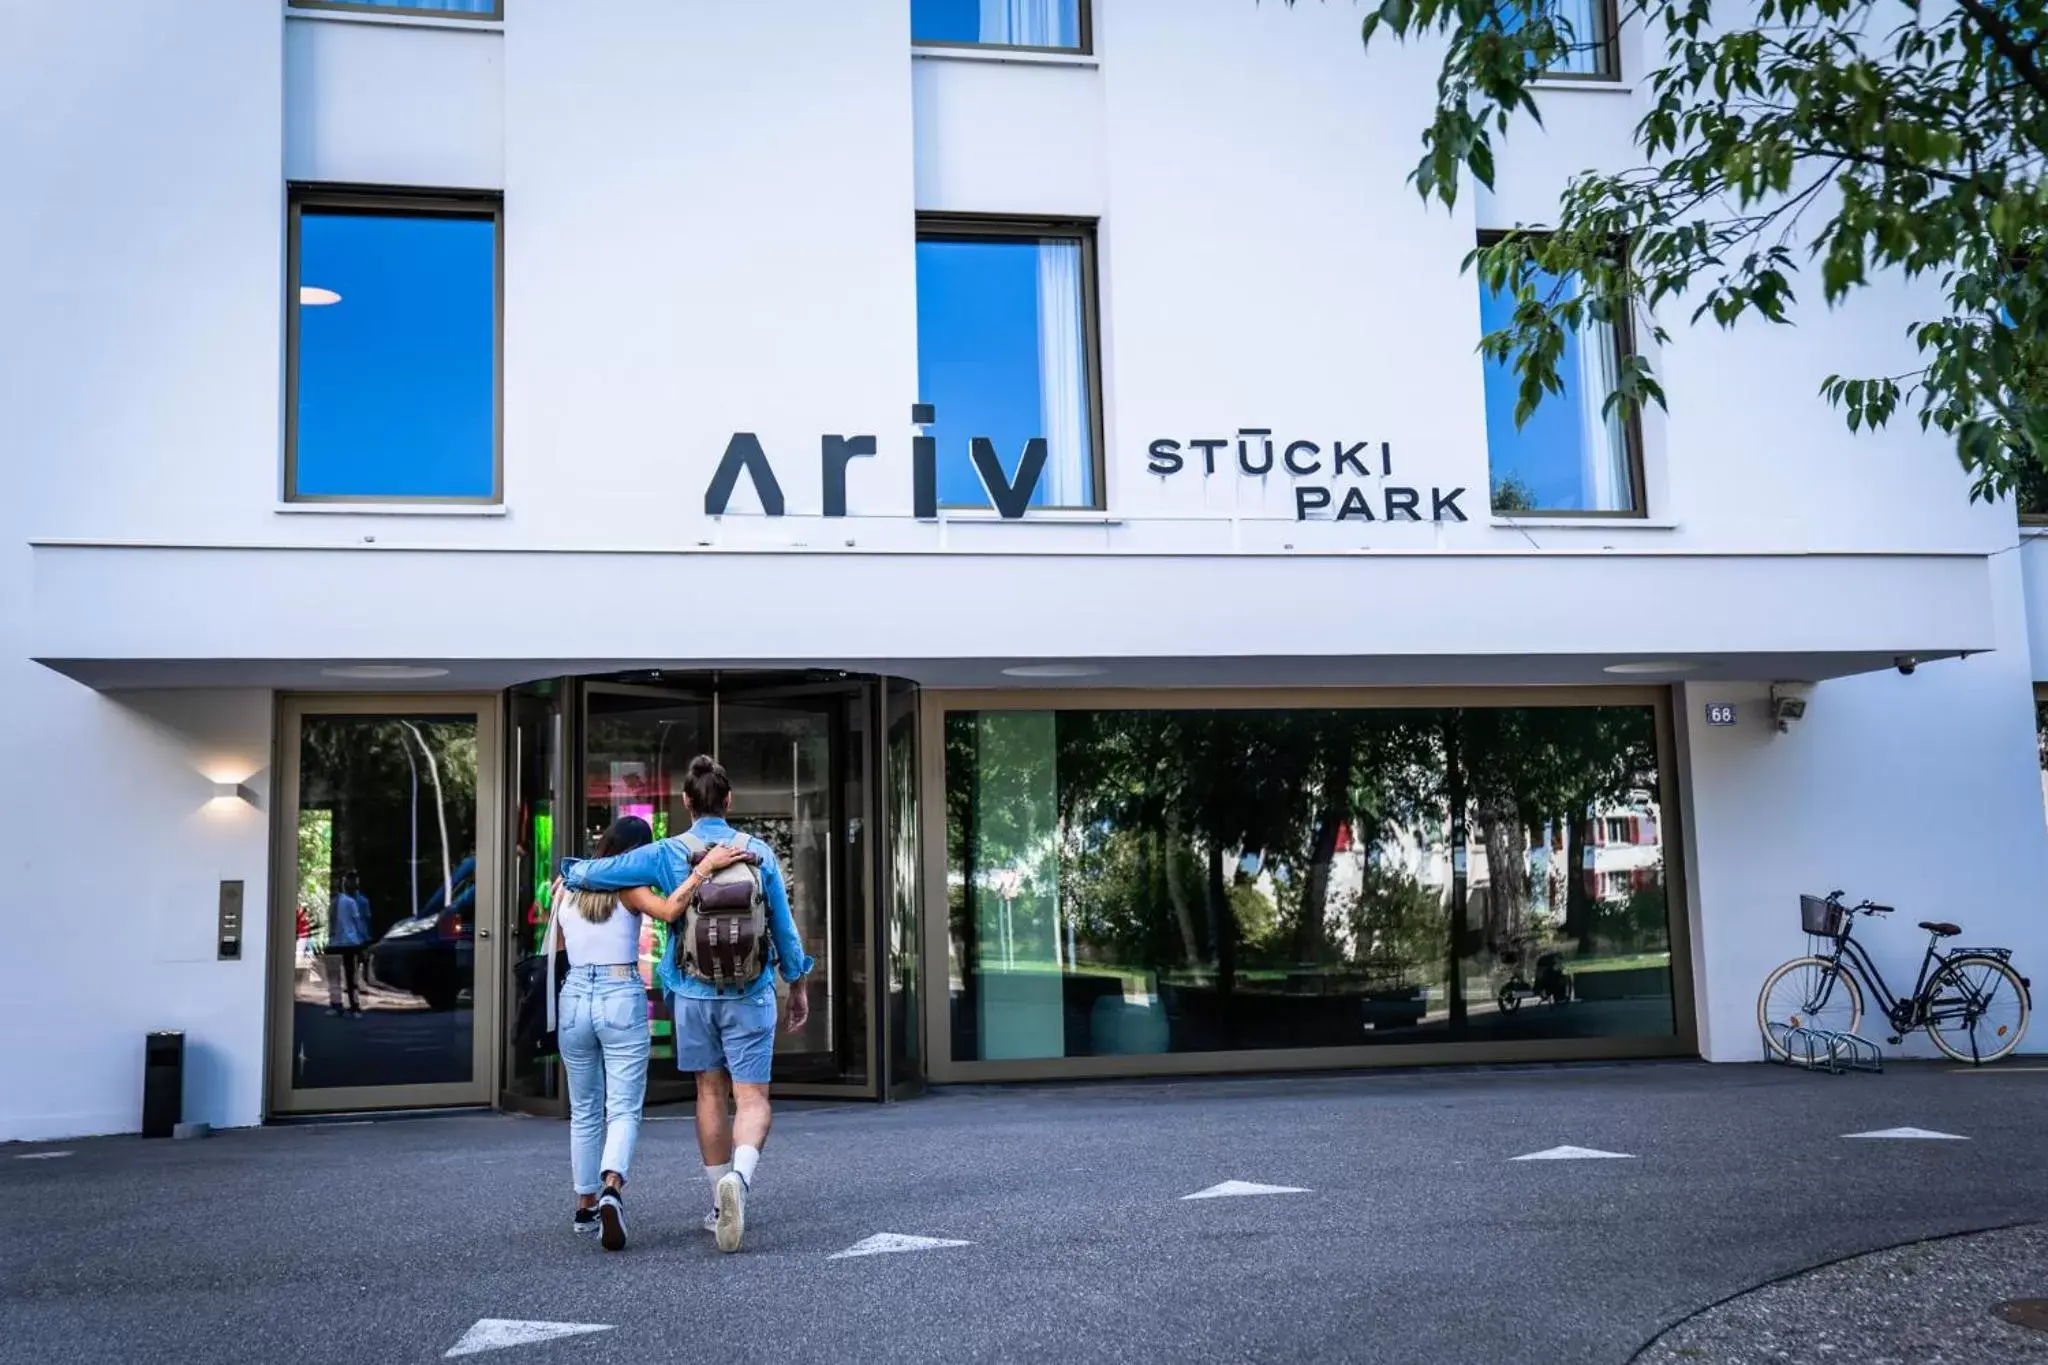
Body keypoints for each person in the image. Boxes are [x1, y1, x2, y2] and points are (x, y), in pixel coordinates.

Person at [561, 755, 814, 1253]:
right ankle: (738, 1181)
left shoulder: (665, 852)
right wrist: (798, 983)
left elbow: (587, 874)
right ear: (729, 800)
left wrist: (575, 872)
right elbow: (783, 930)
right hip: (751, 993)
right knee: (754, 1097)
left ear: (685, 803)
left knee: (709, 1093)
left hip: (693, 996)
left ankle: (719, 1202)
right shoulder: (756, 850)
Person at [548, 816, 747, 1252]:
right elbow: (671, 911)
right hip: (619, 992)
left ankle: (584, 1206)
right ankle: (611, 1188)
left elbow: (558, 951)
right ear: (635, 852)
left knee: (584, 1108)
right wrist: (701, 870)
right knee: (621, 1108)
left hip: (574, 995)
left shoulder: (564, 889)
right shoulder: (630, 888)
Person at [323, 870, 371, 1017]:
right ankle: (340, 1004)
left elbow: (358, 922)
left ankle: (353, 1005)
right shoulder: (332, 903)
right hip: (339, 942)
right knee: (338, 974)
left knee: (349, 974)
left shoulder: (349, 903)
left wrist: (364, 939)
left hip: (347, 942)